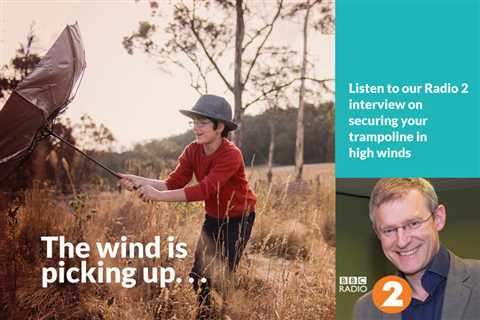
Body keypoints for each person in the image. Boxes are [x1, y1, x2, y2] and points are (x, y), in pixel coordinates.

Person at [118, 94, 256, 319]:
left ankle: (227, 313)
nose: (196, 128)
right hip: (213, 218)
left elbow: (204, 190)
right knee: (198, 277)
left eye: (202, 123)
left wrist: (157, 196)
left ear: (220, 126)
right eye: (194, 122)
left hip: (239, 218)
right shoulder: (192, 150)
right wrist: (139, 180)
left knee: (221, 277)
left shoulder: (231, 154)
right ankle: (204, 315)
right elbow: (171, 183)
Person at [353, 178, 480, 320]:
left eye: (413, 223)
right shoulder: (367, 309)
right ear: (377, 233)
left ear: (438, 218)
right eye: (389, 230)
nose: (402, 242)